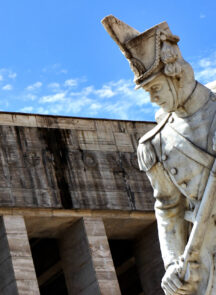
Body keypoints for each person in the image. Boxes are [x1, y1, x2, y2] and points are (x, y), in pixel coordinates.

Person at [102, 15, 216, 295]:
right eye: (147, 91)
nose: (152, 98)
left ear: (175, 74)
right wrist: (171, 265)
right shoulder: (156, 144)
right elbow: (168, 208)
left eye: (155, 88)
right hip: (208, 259)